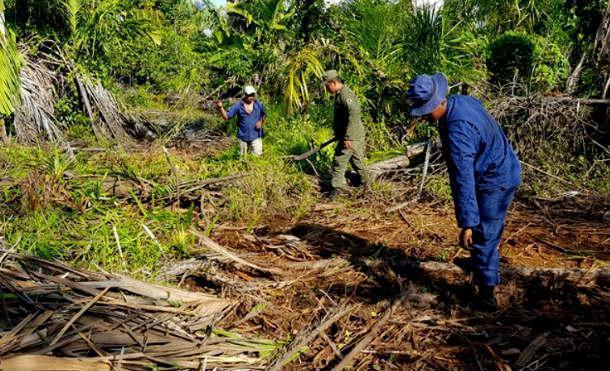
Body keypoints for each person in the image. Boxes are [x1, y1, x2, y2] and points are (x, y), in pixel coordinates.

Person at [406, 72, 521, 311]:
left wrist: (467, 223)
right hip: (499, 165)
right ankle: (482, 264)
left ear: (437, 103)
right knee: (486, 231)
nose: (425, 116)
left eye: (426, 111)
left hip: (495, 178)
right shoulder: (461, 102)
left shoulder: (457, 131)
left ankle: (487, 294)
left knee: (483, 234)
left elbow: (463, 179)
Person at [322, 70, 369, 199]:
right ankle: (367, 183)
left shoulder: (345, 95)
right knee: (356, 161)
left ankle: (336, 188)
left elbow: (354, 114)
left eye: (327, 86)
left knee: (339, 160)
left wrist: (348, 137)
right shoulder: (340, 94)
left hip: (351, 136)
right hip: (351, 135)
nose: (326, 89)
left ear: (333, 82)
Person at [217, 85, 266, 156]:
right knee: (242, 158)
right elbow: (226, 116)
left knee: (257, 157)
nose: (251, 97)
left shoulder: (258, 104)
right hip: (243, 136)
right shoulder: (238, 106)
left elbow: (263, 114)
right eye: (249, 95)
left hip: (256, 135)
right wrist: (220, 108)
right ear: (245, 95)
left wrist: (261, 122)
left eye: (252, 95)